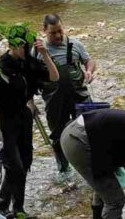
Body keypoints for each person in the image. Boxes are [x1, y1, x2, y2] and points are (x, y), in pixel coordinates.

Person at [0, 24, 59, 219]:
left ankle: (16, 208)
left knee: (24, 163)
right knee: (14, 166)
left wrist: (44, 54)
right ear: (12, 45)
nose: (25, 50)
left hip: (23, 118)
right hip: (4, 122)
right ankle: (3, 205)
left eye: (28, 46)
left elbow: (54, 77)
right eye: (22, 46)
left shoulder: (29, 63)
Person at [37, 14, 96, 176]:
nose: (57, 36)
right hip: (54, 100)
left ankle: (92, 166)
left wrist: (89, 71)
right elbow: (31, 76)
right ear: (44, 31)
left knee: (90, 130)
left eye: (60, 31)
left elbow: (89, 61)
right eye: (53, 33)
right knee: (58, 136)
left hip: (80, 96)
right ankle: (64, 171)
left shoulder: (75, 44)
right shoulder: (39, 51)